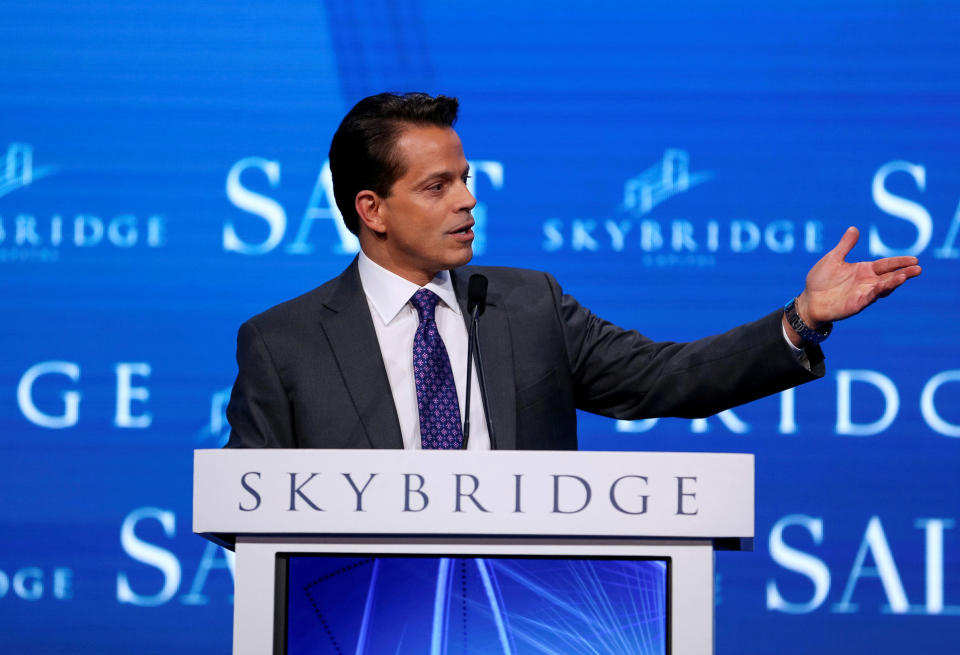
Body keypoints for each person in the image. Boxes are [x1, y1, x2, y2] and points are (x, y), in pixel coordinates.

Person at [225, 92, 921, 450]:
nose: (468, 199)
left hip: (529, 612)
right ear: (371, 208)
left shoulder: (527, 305)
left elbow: (666, 377)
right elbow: (242, 512)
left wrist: (800, 321)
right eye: (437, 186)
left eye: (465, 179)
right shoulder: (282, 342)